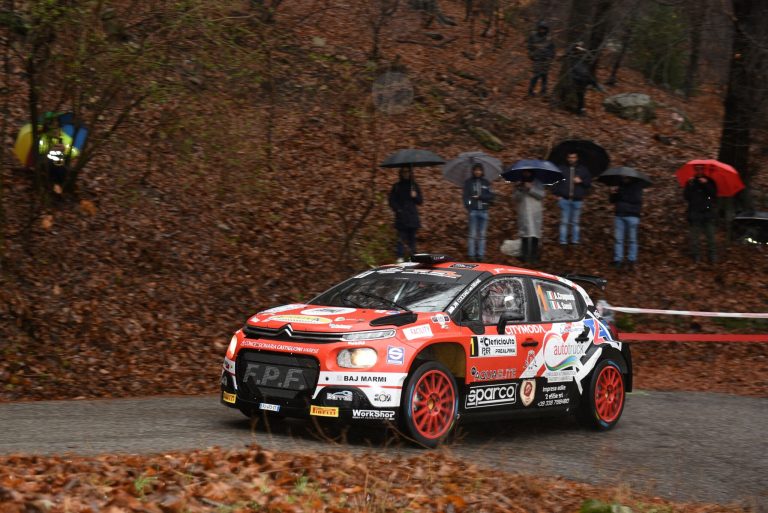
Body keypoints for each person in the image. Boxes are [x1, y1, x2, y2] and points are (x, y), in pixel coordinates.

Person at [552, 151, 592, 245]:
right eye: (570, 157)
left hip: (577, 200)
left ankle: (575, 241)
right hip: (564, 199)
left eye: (573, 157)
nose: (571, 159)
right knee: (564, 222)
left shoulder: (583, 169)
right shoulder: (561, 168)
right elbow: (555, 182)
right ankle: (563, 241)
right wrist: (556, 195)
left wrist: (581, 181)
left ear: (577, 158)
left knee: (575, 222)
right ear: (567, 158)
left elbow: (588, 184)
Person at [684, 164, 718, 263]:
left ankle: (712, 256)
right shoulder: (690, 181)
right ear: (694, 170)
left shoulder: (710, 181)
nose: (699, 170)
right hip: (694, 212)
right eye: (697, 169)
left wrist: (706, 184)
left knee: (711, 236)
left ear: (703, 169)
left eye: (701, 169)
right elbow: (686, 197)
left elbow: (714, 194)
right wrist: (690, 185)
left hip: (708, 212)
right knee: (695, 237)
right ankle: (696, 256)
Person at [389, 166, 423, 262]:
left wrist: (415, 196)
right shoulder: (396, 186)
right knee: (400, 238)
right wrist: (398, 210)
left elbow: (420, 201)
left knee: (412, 239)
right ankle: (400, 257)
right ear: (401, 173)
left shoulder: (414, 186)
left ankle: (412, 257)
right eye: (404, 172)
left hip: (412, 216)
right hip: (401, 217)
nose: (406, 173)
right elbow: (391, 201)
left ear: (410, 173)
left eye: (407, 171)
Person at [610, 176, 644, 270]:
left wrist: (620, 192)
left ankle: (631, 260)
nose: (625, 178)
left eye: (626, 177)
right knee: (618, 239)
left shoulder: (637, 186)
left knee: (632, 240)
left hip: (632, 216)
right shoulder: (619, 185)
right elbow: (612, 201)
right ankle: (618, 260)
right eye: (623, 176)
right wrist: (613, 193)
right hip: (619, 215)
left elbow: (636, 199)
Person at [462, 163, 495, 261]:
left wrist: (481, 197)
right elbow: (466, 197)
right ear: (473, 171)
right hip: (473, 211)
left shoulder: (486, 183)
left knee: (482, 234)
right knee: (472, 233)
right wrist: (469, 206)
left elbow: (491, 196)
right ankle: (471, 255)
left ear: (482, 171)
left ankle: (480, 255)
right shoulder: (468, 182)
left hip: (484, 211)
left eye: (479, 170)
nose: (477, 172)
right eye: (475, 170)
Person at [513, 169, 545, 263]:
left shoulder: (538, 183)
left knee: (535, 235)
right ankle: (524, 255)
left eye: (528, 172)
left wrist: (531, 189)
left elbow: (541, 195)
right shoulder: (519, 184)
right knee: (524, 234)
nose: (526, 174)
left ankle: (534, 256)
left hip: (535, 212)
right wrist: (519, 189)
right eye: (524, 172)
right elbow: (515, 198)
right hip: (524, 212)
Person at [567, 42, 604, 115]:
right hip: (576, 75)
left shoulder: (582, 56)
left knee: (581, 94)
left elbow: (590, 58)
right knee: (579, 93)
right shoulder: (573, 55)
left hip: (582, 75)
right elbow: (568, 52)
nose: (579, 49)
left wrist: (584, 51)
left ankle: (581, 109)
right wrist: (575, 46)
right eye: (579, 47)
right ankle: (580, 109)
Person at [526, 21, 555, 97]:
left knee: (544, 76)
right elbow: (529, 45)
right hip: (537, 59)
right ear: (538, 28)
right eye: (541, 28)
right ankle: (530, 91)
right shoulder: (533, 35)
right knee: (536, 75)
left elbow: (552, 49)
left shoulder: (549, 38)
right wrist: (530, 54)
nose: (542, 30)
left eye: (544, 29)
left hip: (546, 59)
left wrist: (551, 57)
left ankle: (543, 91)